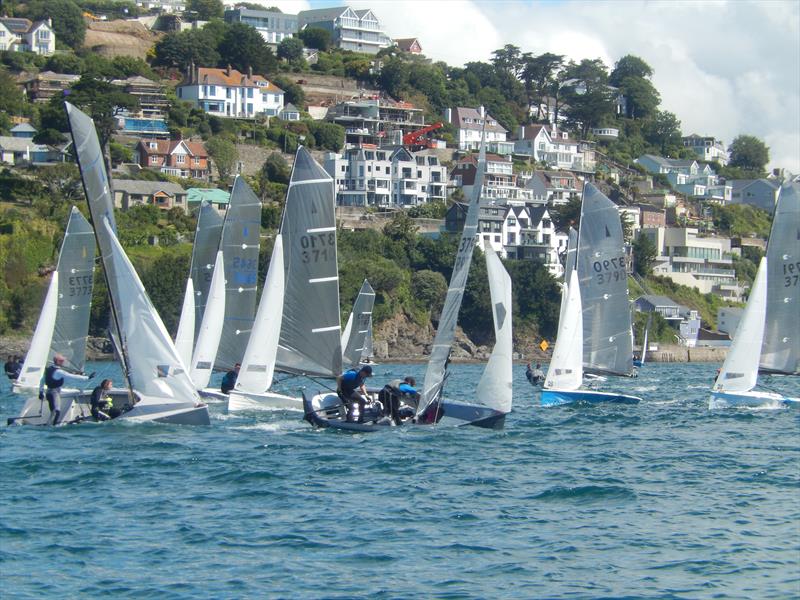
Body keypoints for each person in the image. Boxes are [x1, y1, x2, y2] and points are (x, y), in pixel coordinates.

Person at [39, 354, 94, 426]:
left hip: (49, 392)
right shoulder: (59, 371)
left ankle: (51, 425)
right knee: (56, 411)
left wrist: (41, 391)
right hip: (54, 392)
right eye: (62, 361)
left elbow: (42, 380)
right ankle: (51, 427)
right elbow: (71, 376)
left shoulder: (49, 369)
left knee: (54, 410)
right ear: (57, 361)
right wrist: (87, 378)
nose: (63, 362)